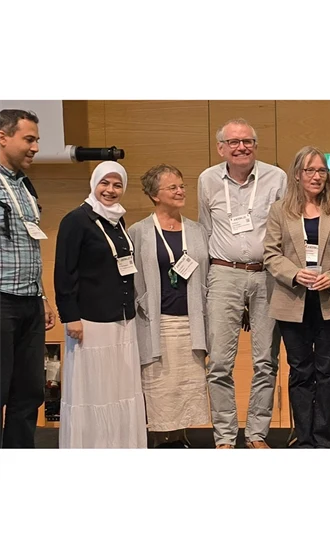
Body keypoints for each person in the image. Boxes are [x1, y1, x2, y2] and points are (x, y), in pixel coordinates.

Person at [198, 118, 286, 449]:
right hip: (223, 273)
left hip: (267, 274)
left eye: (247, 141)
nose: (241, 147)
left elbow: (285, 229)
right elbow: (206, 230)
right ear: (221, 148)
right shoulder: (207, 180)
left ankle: (257, 434)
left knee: (266, 360)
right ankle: (224, 437)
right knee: (219, 361)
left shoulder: (276, 178)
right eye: (233, 142)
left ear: (256, 145)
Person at [264, 146, 330, 449]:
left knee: (327, 371)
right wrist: (294, 273)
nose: (317, 176)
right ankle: (304, 439)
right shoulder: (280, 210)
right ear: (297, 174)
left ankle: (324, 438)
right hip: (293, 300)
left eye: (321, 170)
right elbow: (271, 254)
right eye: (310, 170)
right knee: (301, 370)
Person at [54, 161, 147, 448]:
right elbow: (64, 272)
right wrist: (71, 317)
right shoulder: (76, 220)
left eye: (117, 184)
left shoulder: (117, 220)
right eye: (104, 183)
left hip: (122, 318)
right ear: (94, 184)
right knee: (94, 390)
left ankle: (118, 444)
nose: (110, 190)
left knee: (118, 388)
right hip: (90, 320)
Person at [129, 164, 211, 448]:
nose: (180, 191)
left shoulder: (197, 230)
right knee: (159, 384)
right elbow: (132, 275)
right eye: (172, 187)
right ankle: (160, 439)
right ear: (154, 195)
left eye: (181, 185)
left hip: (191, 320)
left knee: (186, 384)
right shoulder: (138, 231)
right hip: (156, 321)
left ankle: (180, 437)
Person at [0, 109, 55, 448]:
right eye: (29, 139)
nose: (35, 147)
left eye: (37, 140)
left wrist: (43, 297)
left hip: (30, 302)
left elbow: (32, 244)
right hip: (1, 299)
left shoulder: (26, 186)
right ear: (2, 137)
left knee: (29, 391)